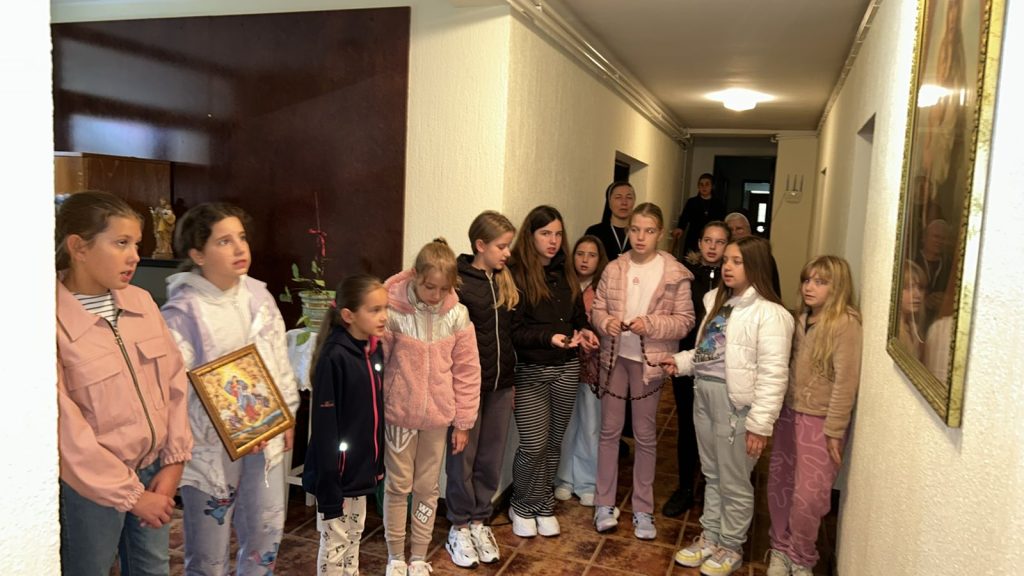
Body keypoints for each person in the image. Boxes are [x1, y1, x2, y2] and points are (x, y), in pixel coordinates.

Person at [56, 190, 193, 576]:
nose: (134, 255)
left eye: (136, 243)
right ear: (79, 247)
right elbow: (65, 428)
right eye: (121, 243)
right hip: (89, 487)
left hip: (153, 471)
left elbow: (174, 382)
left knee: (153, 569)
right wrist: (131, 496)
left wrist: (174, 462)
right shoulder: (50, 319)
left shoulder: (142, 302)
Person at [161, 202, 300, 574]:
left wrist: (285, 415)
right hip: (208, 446)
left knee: (266, 531)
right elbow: (174, 390)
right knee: (209, 548)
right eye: (224, 241)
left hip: (265, 437)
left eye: (241, 237)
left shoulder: (259, 297)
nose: (240, 248)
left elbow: (279, 362)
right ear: (197, 254)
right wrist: (237, 427)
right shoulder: (183, 312)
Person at [664, 236, 794, 576]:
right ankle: (711, 537)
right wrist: (679, 362)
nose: (728, 267)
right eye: (726, 260)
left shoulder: (771, 314)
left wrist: (760, 425)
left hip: (736, 406)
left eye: (737, 261)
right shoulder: (718, 303)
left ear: (756, 266)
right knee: (712, 474)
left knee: (734, 480)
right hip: (704, 396)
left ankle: (731, 546)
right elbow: (707, 353)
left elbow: (774, 375)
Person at [591, 203, 695, 539]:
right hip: (614, 359)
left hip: (649, 364)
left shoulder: (674, 273)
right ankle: (604, 503)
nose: (640, 237)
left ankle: (643, 508)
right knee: (609, 432)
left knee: (645, 435)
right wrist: (606, 322)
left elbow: (685, 322)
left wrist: (649, 324)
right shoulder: (614, 268)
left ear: (659, 233)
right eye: (635, 229)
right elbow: (598, 308)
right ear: (628, 230)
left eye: (648, 231)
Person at [381, 239, 481, 576]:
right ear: (415, 277)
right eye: (429, 287)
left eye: (443, 288)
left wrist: (464, 422)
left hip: (437, 420)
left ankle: (419, 555)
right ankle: (396, 555)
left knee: (427, 489)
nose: (435, 295)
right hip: (400, 416)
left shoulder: (457, 315)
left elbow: (467, 371)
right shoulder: (393, 312)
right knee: (398, 486)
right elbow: (378, 362)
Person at [766, 256, 862, 576]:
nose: (810, 287)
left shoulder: (845, 325)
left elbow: (846, 381)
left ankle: (801, 556)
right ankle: (780, 548)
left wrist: (835, 429)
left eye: (820, 282)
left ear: (838, 287)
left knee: (810, 496)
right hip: (788, 414)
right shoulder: (799, 319)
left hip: (820, 421)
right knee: (780, 484)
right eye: (807, 280)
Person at [508, 205, 599, 539]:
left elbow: (577, 317)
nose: (553, 240)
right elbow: (513, 330)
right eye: (545, 233)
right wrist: (548, 337)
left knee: (553, 443)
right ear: (530, 236)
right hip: (531, 370)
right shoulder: (515, 274)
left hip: (566, 368)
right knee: (533, 445)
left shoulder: (565, 272)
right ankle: (522, 504)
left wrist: (585, 331)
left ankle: (543, 503)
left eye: (558, 234)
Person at [444, 212, 518, 568]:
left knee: (490, 457)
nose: (507, 253)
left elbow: (511, 335)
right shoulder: (458, 284)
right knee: (463, 458)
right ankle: (458, 525)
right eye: (501, 246)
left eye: (508, 246)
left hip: (501, 387)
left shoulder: (505, 282)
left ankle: (479, 521)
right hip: (468, 389)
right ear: (480, 245)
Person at [303, 274, 388, 575]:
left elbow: (372, 416)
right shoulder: (335, 357)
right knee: (335, 545)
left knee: (353, 538)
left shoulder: (372, 350)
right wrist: (330, 487)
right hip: (336, 478)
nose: (383, 316)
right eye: (374, 310)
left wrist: (375, 467)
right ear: (349, 315)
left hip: (359, 473)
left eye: (385, 308)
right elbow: (325, 430)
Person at [664, 220, 730, 518]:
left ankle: (713, 486)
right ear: (699, 243)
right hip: (686, 360)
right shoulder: (685, 276)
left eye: (720, 241)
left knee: (719, 429)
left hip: (722, 369)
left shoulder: (733, 278)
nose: (712, 247)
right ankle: (685, 488)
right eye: (707, 240)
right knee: (688, 426)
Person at [554, 234, 609, 507]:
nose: (585, 260)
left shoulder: (604, 288)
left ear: (600, 260)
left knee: (590, 425)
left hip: (593, 367)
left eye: (592, 255)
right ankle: (563, 479)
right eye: (580, 253)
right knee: (565, 424)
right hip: (563, 365)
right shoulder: (562, 283)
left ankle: (587, 482)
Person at [724, 212, 781, 297]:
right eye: (730, 230)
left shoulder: (762, 257)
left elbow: (773, 290)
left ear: (749, 231)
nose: (734, 233)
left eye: (739, 229)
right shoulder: (723, 257)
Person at [672, 173, 726, 255]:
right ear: (698, 186)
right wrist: (680, 228)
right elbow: (684, 218)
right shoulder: (692, 202)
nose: (704, 187)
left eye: (707, 184)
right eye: (701, 184)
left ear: (712, 186)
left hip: (712, 238)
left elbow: (722, 222)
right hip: (693, 237)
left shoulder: (718, 204)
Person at [585, 181, 636, 261]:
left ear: (634, 201)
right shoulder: (594, 232)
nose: (624, 202)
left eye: (629, 198)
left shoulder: (639, 233)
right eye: (618, 197)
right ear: (609, 202)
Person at [898, 260, 927, 360]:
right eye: (909, 287)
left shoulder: (915, 329)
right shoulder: (893, 333)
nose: (917, 294)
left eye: (920, 288)